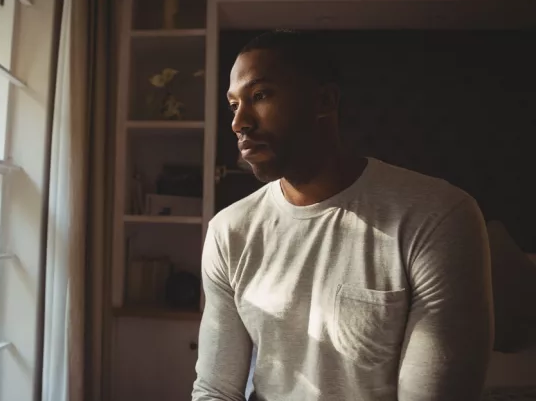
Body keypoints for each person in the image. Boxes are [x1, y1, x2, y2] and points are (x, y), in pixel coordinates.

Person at [192, 30, 494, 401]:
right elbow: (215, 389)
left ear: (324, 100)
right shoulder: (229, 230)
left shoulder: (436, 216)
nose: (240, 123)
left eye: (260, 95)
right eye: (234, 105)